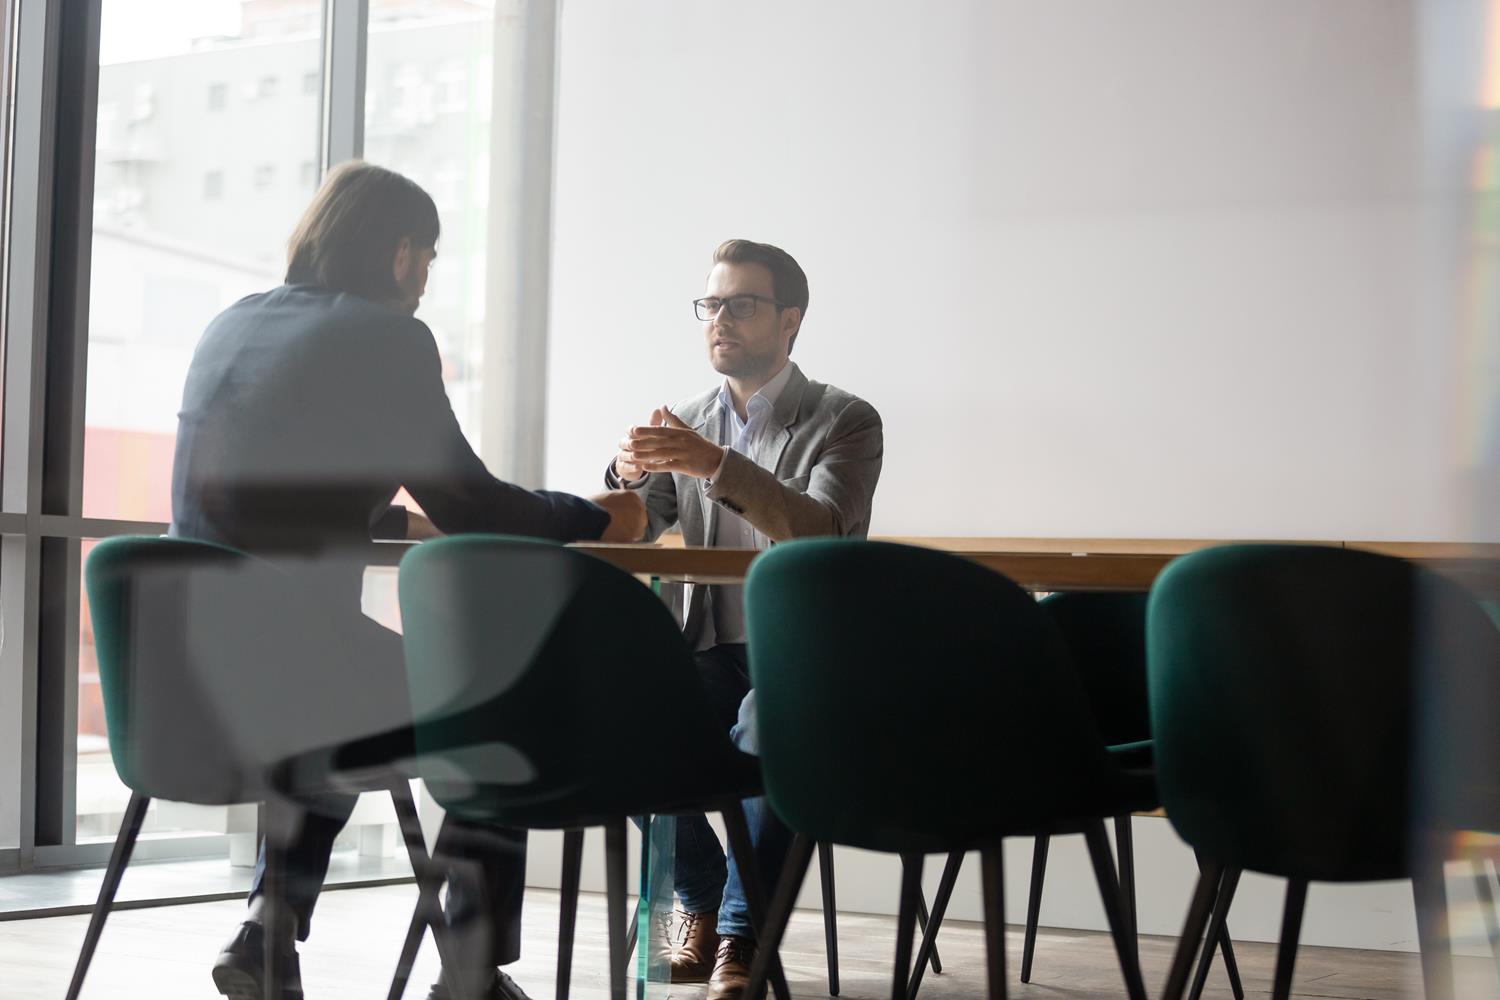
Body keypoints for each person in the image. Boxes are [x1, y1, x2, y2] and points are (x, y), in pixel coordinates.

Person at [170, 160, 646, 1000]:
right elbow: (476, 504)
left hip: (180, 668)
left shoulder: (232, 323)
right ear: (398, 254)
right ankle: (468, 973)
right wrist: (599, 517)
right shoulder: (386, 337)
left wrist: (388, 520)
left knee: (353, 700)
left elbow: (260, 484)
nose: (429, 276)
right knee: (506, 704)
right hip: (292, 660)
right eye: (429, 254)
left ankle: (266, 931)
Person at [605, 239, 883, 1000]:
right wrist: (624, 474)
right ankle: (697, 900)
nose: (719, 319)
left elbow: (822, 527)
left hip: (807, 659)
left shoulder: (844, 420)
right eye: (711, 304)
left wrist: (713, 465)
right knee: (624, 709)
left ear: (790, 320)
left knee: (773, 716)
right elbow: (632, 521)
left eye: (741, 304)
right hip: (708, 648)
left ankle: (740, 929)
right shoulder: (691, 420)